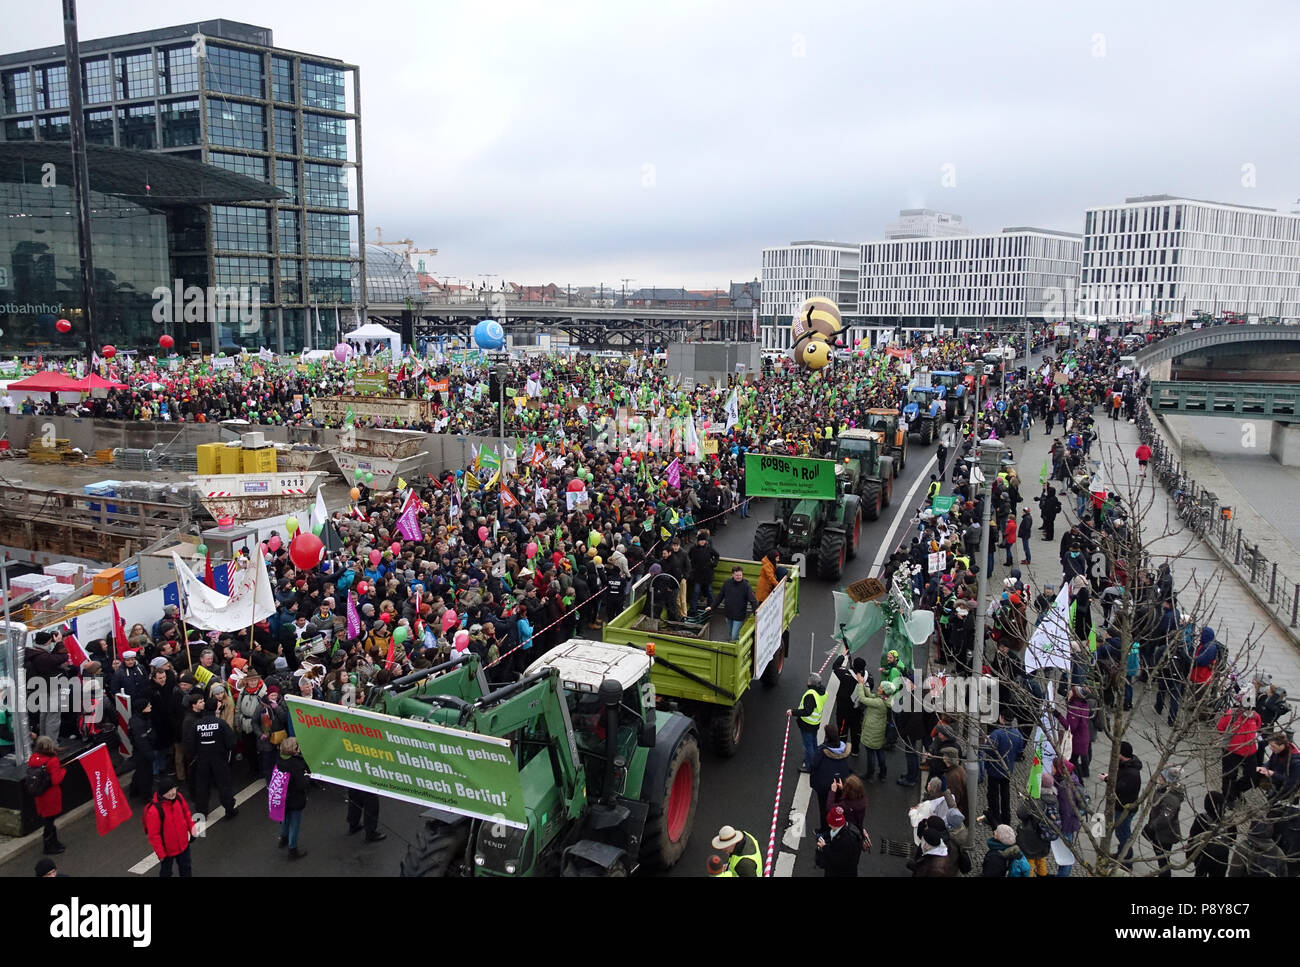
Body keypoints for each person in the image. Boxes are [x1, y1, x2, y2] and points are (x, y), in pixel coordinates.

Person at [185, 691, 238, 819]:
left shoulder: (197, 725)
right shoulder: (221, 724)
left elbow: (190, 745)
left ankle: (202, 811)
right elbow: (231, 743)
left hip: (202, 760)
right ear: (215, 708)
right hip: (219, 759)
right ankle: (229, 810)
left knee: (202, 786)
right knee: (224, 785)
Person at [143, 777, 197, 877]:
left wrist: (192, 830)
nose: (172, 793)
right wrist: (161, 854)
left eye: (173, 789)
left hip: (183, 844)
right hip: (167, 851)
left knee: (186, 868)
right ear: (162, 793)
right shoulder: (154, 811)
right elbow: (154, 835)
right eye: (168, 791)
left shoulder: (179, 798)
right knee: (166, 872)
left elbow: (187, 814)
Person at [1104, 740, 1143, 869]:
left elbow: (1121, 787)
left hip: (1125, 808)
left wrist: (1107, 779)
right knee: (1121, 832)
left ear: (1122, 754)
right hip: (1121, 805)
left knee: (1123, 834)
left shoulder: (1132, 773)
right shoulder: (1125, 765)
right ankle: (1122, 854)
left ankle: (1126, 861)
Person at [1142, 766, 1185, 877]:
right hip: (1160, 832)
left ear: (1168, 780)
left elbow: (1164, 818)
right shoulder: (1165, 789)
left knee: (1163, 861)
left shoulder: (1170, 798)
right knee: (1162, 859)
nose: (1159, 778)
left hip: (1164, 835)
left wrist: (1151, 827)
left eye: (1162, 776)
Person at [810, 727, 853, 836]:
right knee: (839, 807)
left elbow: (814, 765)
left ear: (827, 737)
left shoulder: (822, 751)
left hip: (824, 786)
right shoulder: (843, 749)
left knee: (824, 808)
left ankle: (824, 831)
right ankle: (838, 826)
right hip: (841, 784)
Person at [1217, 698, 1262, 805]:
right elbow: (1220, 728)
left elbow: (1258, 727)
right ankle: (1228, 798)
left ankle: (1235, 790)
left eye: (1252, 708)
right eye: (1247, 708)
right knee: (1229, 776)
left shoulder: (1256, 716)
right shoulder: (1232, 715)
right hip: (1231, 751)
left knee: (1252, 777)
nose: (1249, 710)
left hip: (1250, 752)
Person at [28, 735, 67, 855]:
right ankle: (49, 845)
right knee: (50, 822)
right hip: (51, 795)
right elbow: (56, 780)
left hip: (40, 795)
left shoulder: (33, 758)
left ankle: (54, 842)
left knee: (48, 820)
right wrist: (63, 771)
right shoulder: (52, 760)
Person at [278, 736, 311, 859]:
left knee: (285, 819)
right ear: (294, 749)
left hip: (283, 798)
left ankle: (283, 838)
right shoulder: (296, 765)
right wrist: (308, 776)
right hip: (295, 799)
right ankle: (293, 848)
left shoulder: (280, 760)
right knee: (295, 823)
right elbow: (302, 784)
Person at [706, 565, 757, 640]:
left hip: (739, 615)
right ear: (732, 575)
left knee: (734, 635)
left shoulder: (746, 586)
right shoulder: (727, 583)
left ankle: (735, 649)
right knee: (730, 633)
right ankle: (734, 644)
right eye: (737, 575)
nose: (739, 577)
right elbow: (720, 596)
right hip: (728, 614)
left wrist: (756, 612)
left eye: (740, 575)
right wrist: (712, 607)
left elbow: (753, 600)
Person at [816, 806, 868, 877]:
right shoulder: (849, 827)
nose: (829, 825)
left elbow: (836, 860)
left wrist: (824, 847)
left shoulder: (845, 841)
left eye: (830, 823)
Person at [791, 674, 827, 773]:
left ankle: (810, 766)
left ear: (811, 683)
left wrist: (793, 712)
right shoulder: (822, 692)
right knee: (813, 742)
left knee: (808, 746)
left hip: (807, 724)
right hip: (815, 723)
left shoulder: (811, 695)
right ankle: (814, 759)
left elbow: (807, 711)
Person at [855, 680, 891, 780]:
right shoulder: (884, 699)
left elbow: (863, 699)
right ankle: (883, 773)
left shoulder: (879, 702)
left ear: (883, 691)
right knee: (880, 752)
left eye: (880, 687)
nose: (878, 688)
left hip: (871, 732)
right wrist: (864, 686)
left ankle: (870, 773)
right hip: (879, 731)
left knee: (870, 754)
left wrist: (860, 684)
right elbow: (871, 695)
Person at [687, 532, 719, 614]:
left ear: (705, 541)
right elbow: (688, 558)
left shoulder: (709, 549)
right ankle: (693, 610)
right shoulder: (693, 549)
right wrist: (692, 567)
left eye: (703, 540)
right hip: (697, 575)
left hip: (708, 574)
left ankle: (711, 608)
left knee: (710, 592)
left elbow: (717, 555)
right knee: (696, 592)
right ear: (698, 541)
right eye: (700, 540)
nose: (702, 542)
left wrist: (713, 564)